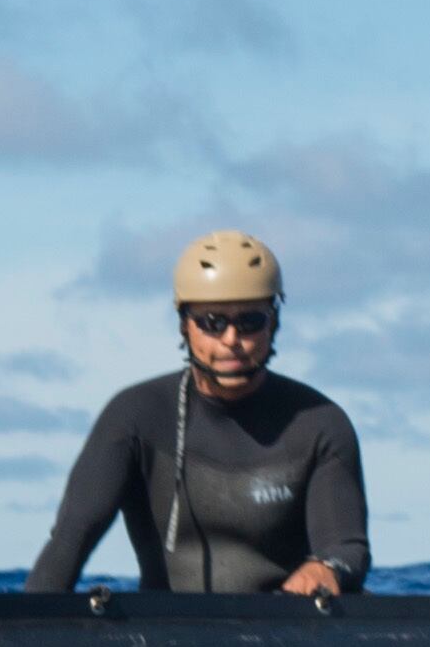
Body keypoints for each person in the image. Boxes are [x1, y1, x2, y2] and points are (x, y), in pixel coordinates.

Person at [26, 228, 369, 596]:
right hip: (168, 628)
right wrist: (26, 623)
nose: (231, 339)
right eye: (212, 322)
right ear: (184, 325)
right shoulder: (134, 416)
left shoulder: (319, 423)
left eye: (250, 321)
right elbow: (69, 542)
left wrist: (327, 569)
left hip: (281, 624)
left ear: (274, 321)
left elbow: (347, 547)